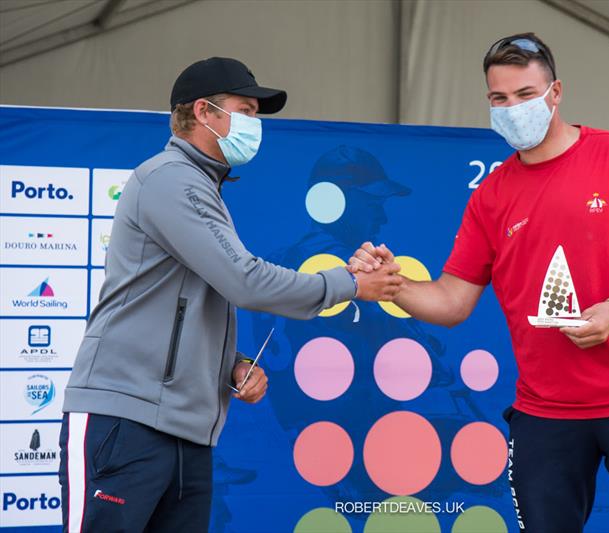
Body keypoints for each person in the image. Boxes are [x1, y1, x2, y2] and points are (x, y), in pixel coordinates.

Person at [350, 33, 609, 533]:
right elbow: (453, 301)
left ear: (555, 93)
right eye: (498, 99)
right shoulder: (491, 195)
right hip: (545, 413)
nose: (511, 108)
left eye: (524, 95)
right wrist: (395, 285)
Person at [58, 57, 402, 533]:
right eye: (246, 110)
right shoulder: (170, 178)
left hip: (181, 429)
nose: (255, 125)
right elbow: (244, 280)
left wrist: (231, 364)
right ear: (203, 112)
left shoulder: (200, 185)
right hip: (127, 420)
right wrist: (352, 284)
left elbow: (182, 306)